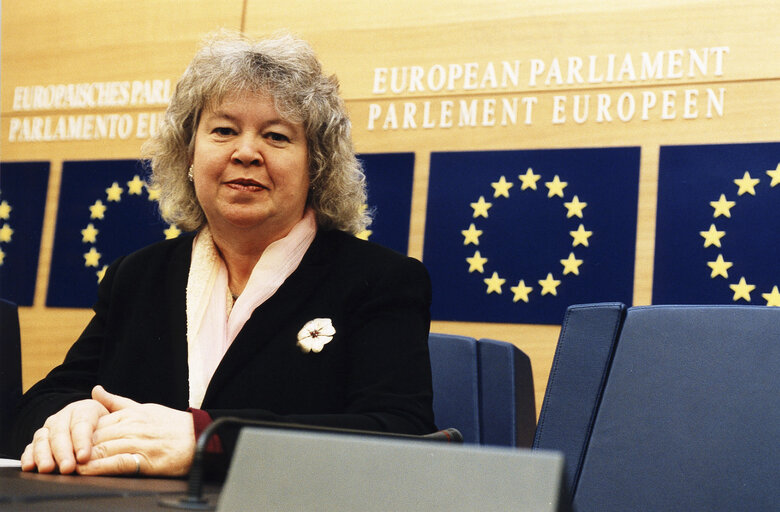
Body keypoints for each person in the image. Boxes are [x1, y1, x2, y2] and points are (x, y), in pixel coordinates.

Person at [10, 30, 436, 477]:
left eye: (275, 136)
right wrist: (70, 418)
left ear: (316, 166)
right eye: (224, 130)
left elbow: (400, 434)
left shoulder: (380, 280)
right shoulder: (137, 276)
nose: (247, 151)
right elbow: (36, 406)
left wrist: (208, 440)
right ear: (189, 155)